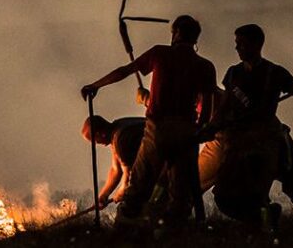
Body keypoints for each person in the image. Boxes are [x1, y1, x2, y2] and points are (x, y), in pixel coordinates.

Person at [80, 15, 216, 225]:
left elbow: (124, 71)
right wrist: (200, 129)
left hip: (158, 130)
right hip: (187, 132)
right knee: (179, 195)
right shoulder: (205, 66)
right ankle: (173, 233)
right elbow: (207, 104)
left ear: (176, 33)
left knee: (138, 188)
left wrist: (95, 86)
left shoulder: (160, 53)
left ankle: (123, 231)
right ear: (195, 38)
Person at [197, 24, 293, 226]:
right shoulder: (233, 73)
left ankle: (263, 225)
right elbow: (224, 107)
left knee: (256, 194)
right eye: (236, 43)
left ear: (256, 45)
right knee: (223, 197)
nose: (237, 48)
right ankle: (263, 218)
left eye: (241, 44)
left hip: (263, 144)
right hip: (235, 143)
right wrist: (211, 128)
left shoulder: (276, 73)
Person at [82, 115, 146, 208]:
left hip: (163, 163)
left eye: (94, 140)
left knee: (127, 209)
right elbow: (116, 169)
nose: (96, 144)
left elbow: (128, 176)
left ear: (100, 134)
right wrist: (103, 196)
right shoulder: (117, 130)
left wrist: (121, 192)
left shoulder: (121, 139)